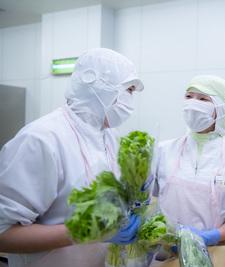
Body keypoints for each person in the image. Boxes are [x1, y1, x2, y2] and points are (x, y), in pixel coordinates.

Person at [0, 48, 144, 267]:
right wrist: (84, 232)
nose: (131, 101)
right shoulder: (41, 139)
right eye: (129, 90)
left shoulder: (109, 137)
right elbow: (4, 233)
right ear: (101, 88)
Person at [152, 75, 225, 247]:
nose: (193, 104)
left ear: (221, 108)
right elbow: (147, 199)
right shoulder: (162, 150)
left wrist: (210, 236)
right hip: (161, 249)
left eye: (203, 99)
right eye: (189, 97)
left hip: (209, 251)